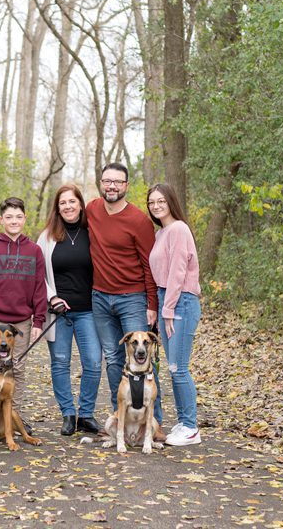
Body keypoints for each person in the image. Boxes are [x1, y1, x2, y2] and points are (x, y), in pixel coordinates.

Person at [86, 162, 166, 441]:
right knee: (114, 360)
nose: (112, 186)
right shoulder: (92, 210)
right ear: (100, 183)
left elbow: (149, 265)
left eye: (118, 182)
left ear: (126, 186)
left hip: (132, 298)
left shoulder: (139, 221)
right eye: (107, 181)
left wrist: (152, 304)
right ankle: (120, 416)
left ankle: (153, 424)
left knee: (142, 356)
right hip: (100, 297)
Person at [0, 196, 47, 434]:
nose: (14, 221)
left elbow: (39, 287)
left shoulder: (34, 250)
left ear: (25, 219)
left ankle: (15, 418)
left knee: (18, 369)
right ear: (1, 220)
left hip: (21, 320)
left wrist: (39, 320)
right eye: (9, 217)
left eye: (19, 216)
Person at [37, 185, 102, 436]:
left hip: (88, 311)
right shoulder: (47, 237)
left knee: (94, 363)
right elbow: (37, 274)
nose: (68, 206)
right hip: (58, 313)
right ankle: (68, 413)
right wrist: (51, 298)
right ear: (57, 208)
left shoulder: (92, 233)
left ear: (80, 204)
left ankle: (86, 414)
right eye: (62, 203)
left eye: (72, 202)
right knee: (61, 363)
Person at [146, 183, 203, 446]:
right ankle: (183, 422)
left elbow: (178, 271)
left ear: (171, 201)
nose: (156, 206)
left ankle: (191, 427)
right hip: (166, 298)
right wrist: (159, 307)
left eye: (161, 201)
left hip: (181, 301)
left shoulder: (179, 229)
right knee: (173, 367)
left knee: (179, 368)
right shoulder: (162, 233)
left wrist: (167, 309)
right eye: (152, 202)